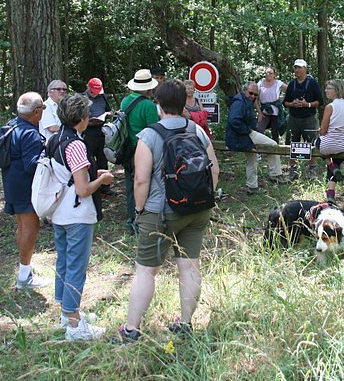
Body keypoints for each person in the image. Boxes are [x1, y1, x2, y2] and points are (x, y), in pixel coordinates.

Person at [116, 79, 220, 343]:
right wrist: (202, 199)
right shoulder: (197, 130)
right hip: (197, 210)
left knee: (146, 271)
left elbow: (140, 180)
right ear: (183, 102)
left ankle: (131, 330)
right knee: (189, 266)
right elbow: (214, 169)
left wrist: (139, 210)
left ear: (158, 104)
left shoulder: (149, 135)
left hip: (160, 212)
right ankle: (185, 324)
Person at [50, 94, 114, 341]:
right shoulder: (76, 145)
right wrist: (102, 179)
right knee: (76, 266)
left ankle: (66, 313)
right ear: (83, 118)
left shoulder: (55, 139)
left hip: (59, 213)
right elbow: (82, 189)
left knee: (64, 262)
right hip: (77, 213)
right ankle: (75, 324)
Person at [2, 92, 49, 289]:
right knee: (31, 228)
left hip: (11, 182)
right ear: (36, 112)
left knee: (22, 227)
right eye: (41, 111)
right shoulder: (30, 133)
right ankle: (24, 277)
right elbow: (31, 166)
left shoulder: (12, 125)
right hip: (25, 187)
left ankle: (25, 269)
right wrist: (48, 156)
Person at [226, 81, 289, 194]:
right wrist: (248, 130)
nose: (253, 96)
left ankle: (252, 187)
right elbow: (234, 121)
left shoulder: (246, 101)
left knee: (252, 158)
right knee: (273, 145)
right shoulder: (239, 102)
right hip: (243, 135)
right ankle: (276, 174)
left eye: (255, 94)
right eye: (251, 93)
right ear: (244, 91)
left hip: (243, 134)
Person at [121, 69, 160, 234]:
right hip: (144, 151)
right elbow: (155, 131)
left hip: (127, 150)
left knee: (131, 186)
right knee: (146, 185)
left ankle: (131, 221)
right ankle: (143, 222)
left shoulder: (125, 101)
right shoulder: (148, 105)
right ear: (149, 89)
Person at [283, 59, 324, 181]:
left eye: (300, 68)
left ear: (305, 69)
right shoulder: (291, 84)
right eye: (295, 68)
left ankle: (312, 170)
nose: (297, 70)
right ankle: (293, 170)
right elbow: (285, 102)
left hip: (309, 118)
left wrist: (308, 104)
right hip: (294, 118)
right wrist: (293, 104)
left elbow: (320, 101)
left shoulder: (312, 83)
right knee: (292, 144)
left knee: (312, 143)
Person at [316, 80, 344, 203]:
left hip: (331, 144)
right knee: (337, 160)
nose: (326, 91)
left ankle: (330, 165)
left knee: (316, 143)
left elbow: (323, 131)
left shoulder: (330, 107)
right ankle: (330, 194)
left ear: (337, 90)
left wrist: (320, 130)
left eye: (329, 88)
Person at [82, 78, 114, 197]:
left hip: (102, 131)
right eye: (93, 91)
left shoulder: (103, 97)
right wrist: (89, 122)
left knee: (103, 158)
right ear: (88, 87)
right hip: (88, 132)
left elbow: (108, 110)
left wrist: (108, 114)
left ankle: (105, 188)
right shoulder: (82, 99)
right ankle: (91, 186)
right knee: (89, 160)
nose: (95, 93)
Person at [256, 67, 288, 143]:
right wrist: (259, 112)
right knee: (259, 130)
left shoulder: (278, 83)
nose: (268, 74)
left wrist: (284, 98)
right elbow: (255, 99)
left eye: (270, 73)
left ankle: (276, 153)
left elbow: (289, 89)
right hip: (264, 111)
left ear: (274, 75)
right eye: (267, 73)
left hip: (276, 112)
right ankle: (259, 151)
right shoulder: (260, 84)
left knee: (275, 133)